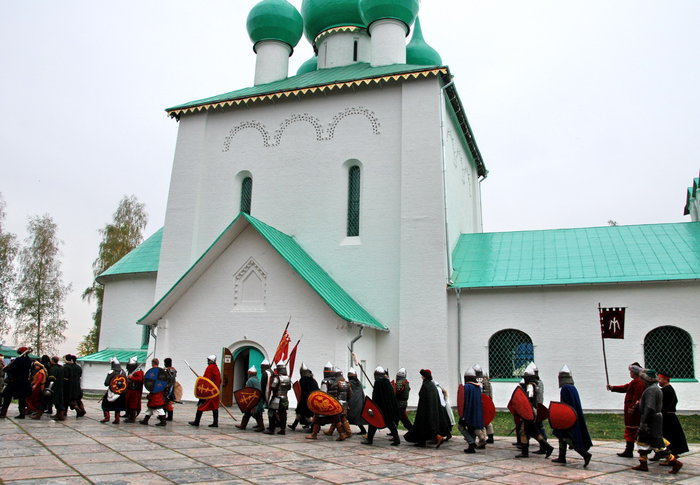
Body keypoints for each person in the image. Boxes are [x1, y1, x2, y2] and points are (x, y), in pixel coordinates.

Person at [633, 369, 683, 474]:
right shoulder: (654, 388)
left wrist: (644, 422)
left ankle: (674, 462)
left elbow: (650, 407)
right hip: (652, 418)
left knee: (657, 443)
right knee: (642, 441)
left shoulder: (651, 390)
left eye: (642, 379)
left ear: (646, 379)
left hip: (651, 420)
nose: (641, 381)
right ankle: (643, 464)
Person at [551, 365, 592, 466]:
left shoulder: (565, 388)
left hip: (569, 418)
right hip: (573, 416)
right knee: (561, 436)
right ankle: (562, 457)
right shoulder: (573, 387)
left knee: (567, 437)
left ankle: (585, 454)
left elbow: (565, 405)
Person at [512, 363, 553, 459]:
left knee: (523, 431)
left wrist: (524, 411)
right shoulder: (537, 384)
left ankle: (525, 452)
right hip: (532, 411)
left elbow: (528, 400)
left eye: (526, 377)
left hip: (529, 412)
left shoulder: (530, 386)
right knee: (533, 432)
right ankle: (548, 447)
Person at [607, 362, 646, 457]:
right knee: (630, 430)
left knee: (633, 430)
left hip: (633, 411)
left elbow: (637, 397)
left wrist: (633, 407)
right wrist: (613, 388)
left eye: (631, 372)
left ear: (635, 372)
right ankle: (629, 450)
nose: (630, 373)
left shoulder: (638, 382)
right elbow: (625, 388)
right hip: (631, 410)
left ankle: (657, 452)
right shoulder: (635, 381)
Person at [404, 369, 450, 448]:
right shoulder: (432, 385)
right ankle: (422, 442)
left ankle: (437, 438)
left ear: (424, 376)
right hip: (432, 409)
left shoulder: (426, 385)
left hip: (425, 409)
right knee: (425, 426)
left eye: (422, 376)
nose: (421, 377)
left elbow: (422, 396)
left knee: (423, 425)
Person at [653, 372, 688, 463]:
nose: (658, 381)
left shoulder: (666, 390)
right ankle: (669, 454)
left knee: (668, 437)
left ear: (665, 379)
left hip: (667, 417)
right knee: (671, 437)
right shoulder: (668, 389)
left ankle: (670, 456)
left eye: (660, 379)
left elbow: (663, 404)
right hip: (669, 417)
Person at [361, 366, 401, 446]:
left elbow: (376, 396)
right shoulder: (387, 382)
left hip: (380, 407)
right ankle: (397, 439)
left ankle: (370, 440)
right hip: (388, 407)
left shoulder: (378, 383)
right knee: (390, 422)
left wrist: (373, 407)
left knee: (373, 423)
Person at [306, 362, 342, 440]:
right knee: (336, 419)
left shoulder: (325, 381)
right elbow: (338, 391)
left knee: (317, 419)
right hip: (334, 403)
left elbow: (323, 394)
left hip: (326, 404)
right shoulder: (336, 381)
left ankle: (314, 434)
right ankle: (341, 435)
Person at [189, 354, 221, 428]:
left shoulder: (209, 368)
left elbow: (206, 380)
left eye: (208, 360)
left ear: (210, 361)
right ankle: (215, 423)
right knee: (215, 407)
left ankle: (196, 422)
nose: (207, 361)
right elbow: (219, 380)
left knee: (201, 405)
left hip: (209, 392)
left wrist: (201, 380)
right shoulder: (216, 368)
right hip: (215, 392)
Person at [0, 346, 32, 419]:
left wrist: (8, 368)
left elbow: (11, 370)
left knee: (6, 395)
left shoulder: (18, 360)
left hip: (15, 382)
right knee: (22, 398)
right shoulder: (29, 360)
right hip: (24, 382)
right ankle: (22, 414)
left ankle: (3, 413)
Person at [458, 367, 484, 454]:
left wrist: (463, 414)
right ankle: (471, 447)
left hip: (468, 412)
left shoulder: (466, 387)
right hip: (476, 412)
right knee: (471, 428)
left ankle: (471, 443)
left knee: (461, 427)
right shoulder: (477, 388)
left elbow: (464, 401)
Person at [324, 368, 352, 440]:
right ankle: (330, 431)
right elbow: (350, 395)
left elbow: (333, 394)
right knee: (337, 418)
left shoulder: (336, 384)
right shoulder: (346, 383)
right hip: (345, 403)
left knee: (341, 418)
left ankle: (348, 433)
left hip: (338, 403)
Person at [288, 363, 318, 431]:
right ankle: (294, 425)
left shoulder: (303, 380)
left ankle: (313, 428)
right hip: (310, 400)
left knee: (307, 415)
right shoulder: (313, 380)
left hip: (304, 400)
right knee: (299, 413)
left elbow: (303, 391)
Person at [263, 363, 292, 434]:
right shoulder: (288, 378)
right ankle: (283, 429)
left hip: (276, 398)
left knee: (271, 412)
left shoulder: (277, 378)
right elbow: (289, 388)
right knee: (283, 413)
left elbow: (273, 386)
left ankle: (271, 429)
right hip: (285, 397)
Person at [235, 366, 266, 431]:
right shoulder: (256, 379)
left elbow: (247, 390)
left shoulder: (250, 380)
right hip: (256, 399)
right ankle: (243, 425)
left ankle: (261, 427)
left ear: (250, 373)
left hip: (253, 399)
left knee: (256, 413)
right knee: (248, 412)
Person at [139, 359, 167, 427]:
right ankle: (145, 420)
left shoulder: (159, 371)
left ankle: (163, 421)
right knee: (150, 408)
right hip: (154, 391)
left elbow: (163, 381)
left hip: (157, 392)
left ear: (153, 363)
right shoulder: (160, 371)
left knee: (158, 408)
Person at [101, 357, 127, 424]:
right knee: (118, 405)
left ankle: (107, 417)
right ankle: (117, 419)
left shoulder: (111, 372)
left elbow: (106, 383)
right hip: (120, 393)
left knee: (105, 404)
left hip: (112, 392)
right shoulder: (123, 372)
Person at [474, 363, 494, 443]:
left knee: (479, 421)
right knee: (487, 420)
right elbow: (490, 395)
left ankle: (482, 438)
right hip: (487, 403)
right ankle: (491, 437)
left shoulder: (477, 381)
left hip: (480, 404)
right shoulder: (487, 381)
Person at [347, 368, 368, 437]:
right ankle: (363, 430)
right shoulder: (359, 383)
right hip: (359, 403)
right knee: (357, 417)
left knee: (345, 417)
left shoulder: (349, 384)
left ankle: (345, 431)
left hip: (352, 403)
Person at [124, 356, 143, 423]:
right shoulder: (130, 371)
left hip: (135, 390)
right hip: (129, 390)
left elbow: (139, 380)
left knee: (133, 404)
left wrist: (131, 377)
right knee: (128, 403)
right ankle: (128, 415)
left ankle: (132, 418)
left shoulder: (138, 372)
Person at [163, 357, 178, 421]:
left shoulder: (167, 370)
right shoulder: (173, 370)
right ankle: (164, 415)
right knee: (165, 402)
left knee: (167, 402)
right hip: (171, 387)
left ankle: (169, 417)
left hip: (168, 388)